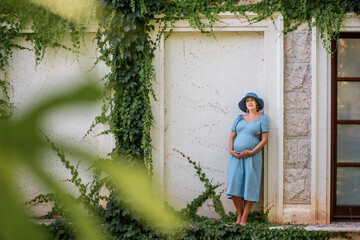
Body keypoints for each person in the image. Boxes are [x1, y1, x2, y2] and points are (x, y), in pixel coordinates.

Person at [227, 92, 269, 225]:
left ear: (257, 104)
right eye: (247, 101)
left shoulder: (263, 119)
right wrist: (231, 150)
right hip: (236, 157)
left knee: (250, 186)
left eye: (252, 100)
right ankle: (239, 215)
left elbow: (264, 140)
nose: (249, 102)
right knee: (234, 186)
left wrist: (251, 152)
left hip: (252, 157)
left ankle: (244, 218)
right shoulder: (239, 118)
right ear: (245, 105)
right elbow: (232, 136)